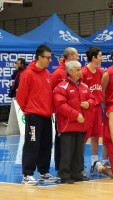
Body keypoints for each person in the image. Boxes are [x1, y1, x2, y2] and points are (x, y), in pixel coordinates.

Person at [16, 45, 59, 185]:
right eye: (47, 57)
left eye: (50, 57)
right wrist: (29, 111)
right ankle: (27, 174)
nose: (50, 60)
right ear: (39, 57)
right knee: (32, 145)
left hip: (46, 116)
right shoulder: (28, 74)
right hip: (34, 116)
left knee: (46, 145)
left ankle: (43, 172)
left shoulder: (47, 73)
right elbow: (21, 97)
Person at [53, 61, 93, 184]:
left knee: (78, 151)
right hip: (67, 125)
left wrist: (89, 103)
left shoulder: (84, 86)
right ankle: (64, 175)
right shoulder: (61, 86)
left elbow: (92, 98)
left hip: (81, 125)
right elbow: (60, 105)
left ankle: (77, 173)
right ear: (69, 71)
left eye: (80, 69)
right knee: (67, 152)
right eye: (77, 69)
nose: (80, 72)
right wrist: (76, 115)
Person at [51, 47, 79, 172]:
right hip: (63, 114)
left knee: (76, 142)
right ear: (70, 57)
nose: (78, 57)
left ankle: (75, 167)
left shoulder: (77, 72)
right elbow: (50, 92)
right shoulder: (58, 73)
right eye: (77, 55)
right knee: (62, 141)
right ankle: (61, 168)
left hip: (76, 114)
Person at [81, 47, 104, 175]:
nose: (102, 58)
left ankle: (94, 162)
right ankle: (79, 163)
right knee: (84, 137)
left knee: (96, 135)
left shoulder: (100, 72)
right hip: (87, 109)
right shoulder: (83, 72)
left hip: (97, 107)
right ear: (94, 57)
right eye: (100, 56)